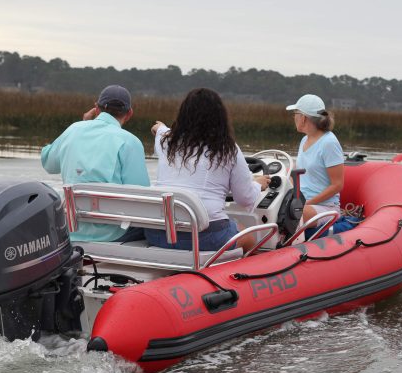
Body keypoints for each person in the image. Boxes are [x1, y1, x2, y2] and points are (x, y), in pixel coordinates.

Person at [145, 88, 270, 252]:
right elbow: (245, 199)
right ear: (219, 118)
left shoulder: (166, 142)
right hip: (202, 238)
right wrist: (257, 185)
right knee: (248, 238)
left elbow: (159, 130)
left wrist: (159, 127)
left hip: (158, 234)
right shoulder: (228, 150)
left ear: (183, 115)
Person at [41, 85, 150, 242]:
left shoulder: (74, 130)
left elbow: (48, 163)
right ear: (129, 114)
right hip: (113, 234)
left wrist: (81, 126)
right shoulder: (130, 142)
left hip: (71, 229)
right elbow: (141, 197)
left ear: (96, 109)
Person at [286, 94, 344, 229]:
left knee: (291, 213)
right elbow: (297, 175)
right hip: (302, 203)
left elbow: (338, 185)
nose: (294, 117)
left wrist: (307, 203)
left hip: (325, 207)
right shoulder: (304, 140)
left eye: (295, 113)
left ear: (303, 118)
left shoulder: (329, 143)